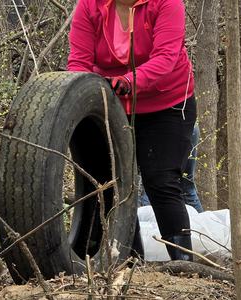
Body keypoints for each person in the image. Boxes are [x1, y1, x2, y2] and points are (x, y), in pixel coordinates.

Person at [68, 0, 196, 261]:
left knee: (161, 180)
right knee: (109, 181)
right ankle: (129, 261)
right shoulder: (89, 6)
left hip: (167, 102)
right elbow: (79, 62)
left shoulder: (167, 4)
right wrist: (83, 96)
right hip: (112, 103)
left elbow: (166, 58)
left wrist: (129, 81)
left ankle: (183, 262)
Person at [140, 124, 204, 213]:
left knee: (150, 183)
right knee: (187, 186)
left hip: (160, 125)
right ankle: (200, 224)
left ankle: (147, 225)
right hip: (188, 124)